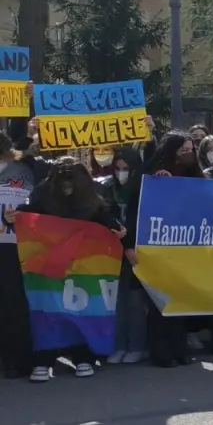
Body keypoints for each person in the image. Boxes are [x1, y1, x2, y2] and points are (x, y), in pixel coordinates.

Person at [3, 158, 126, 381]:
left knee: (80, 309)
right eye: (63, 184)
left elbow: (104, 216)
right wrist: (11, 217)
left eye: (71, 183)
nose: (67, 188)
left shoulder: (94, 194)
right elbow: (27, 213)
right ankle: (43, 360)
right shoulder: (43, 192)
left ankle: (83, 358)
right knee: (47, 310)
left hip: (83, 265)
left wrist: (116, 227)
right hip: (49, 263)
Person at [129, 131, 212, 367]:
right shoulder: (151, 176)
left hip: (185, 246)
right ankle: (160, 350)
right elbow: (138, 210)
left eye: (190, 149)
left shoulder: (194, 175)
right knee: (159, 302)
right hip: (156, 246)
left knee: (179, 299)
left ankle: (179, 348)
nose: (188, 153)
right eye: (183, 149)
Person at [0, 132, 44, 379]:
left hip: (15, 244)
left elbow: (38, 198)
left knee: (14, 303)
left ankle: (20, 359)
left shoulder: (25, 167)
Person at [100, 147, 148, 365]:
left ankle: (136, 346)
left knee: (135, 301)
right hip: (111, 251)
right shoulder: (107, 188)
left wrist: (129, 243)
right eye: (118, 168)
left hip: (136, 251)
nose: (121, 173)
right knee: (117, 301)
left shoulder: (143, 188)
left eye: (126, 169)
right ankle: (118, 346)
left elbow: (143, 218)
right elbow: (103, 213)